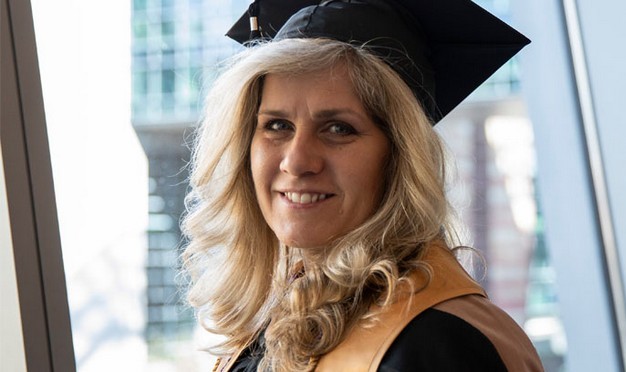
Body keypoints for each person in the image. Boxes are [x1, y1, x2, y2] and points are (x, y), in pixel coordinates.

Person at [181, 0, 542, 371]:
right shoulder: (279, 317)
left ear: (402, 157)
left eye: (338, 128)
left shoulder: (435, 344)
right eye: (276, 125)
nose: (297, 161)